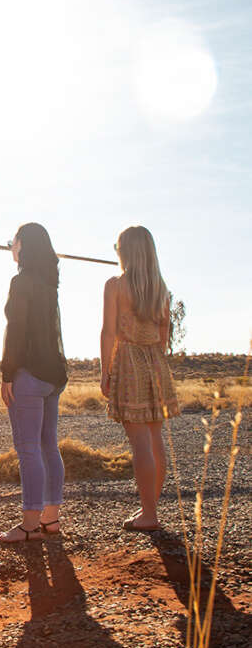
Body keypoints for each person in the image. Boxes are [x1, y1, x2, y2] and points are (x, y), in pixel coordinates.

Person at [101, 225, 179, 532]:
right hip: (155, 361)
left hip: (130, 359)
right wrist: (154, 360)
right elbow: (164, 334)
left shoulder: (115, 285)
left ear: (126, 251)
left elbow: (108, 331)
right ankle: (150, 507)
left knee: (140, 443)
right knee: (154, 438)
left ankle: (149, 514)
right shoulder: (160, 287)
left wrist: (105, 371)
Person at [0, 223, 68, 545]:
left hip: (28, 374)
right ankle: (50, 519)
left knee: (28, 449)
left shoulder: (21, 282)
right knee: (47, 446)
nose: (11, 247)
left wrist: (7, 374)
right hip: (53, 375)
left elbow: (16, 331)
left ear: (23, 244)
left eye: (12, 241)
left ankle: (28, 524)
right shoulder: (48, 283)